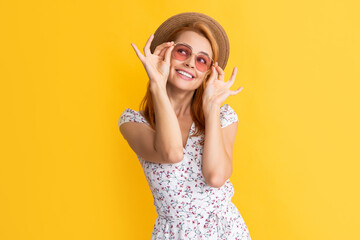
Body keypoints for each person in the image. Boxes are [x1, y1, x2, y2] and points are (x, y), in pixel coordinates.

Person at [118, 12, 251, 240]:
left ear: (208, 73)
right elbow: (171, 152)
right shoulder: (133, 122)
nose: (190, 63)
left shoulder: (223, 117)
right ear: (165, 54)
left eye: (201, 60)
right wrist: (157, 84)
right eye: (183, 52)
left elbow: (216, 177)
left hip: (225, 232)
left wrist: (211, 108)